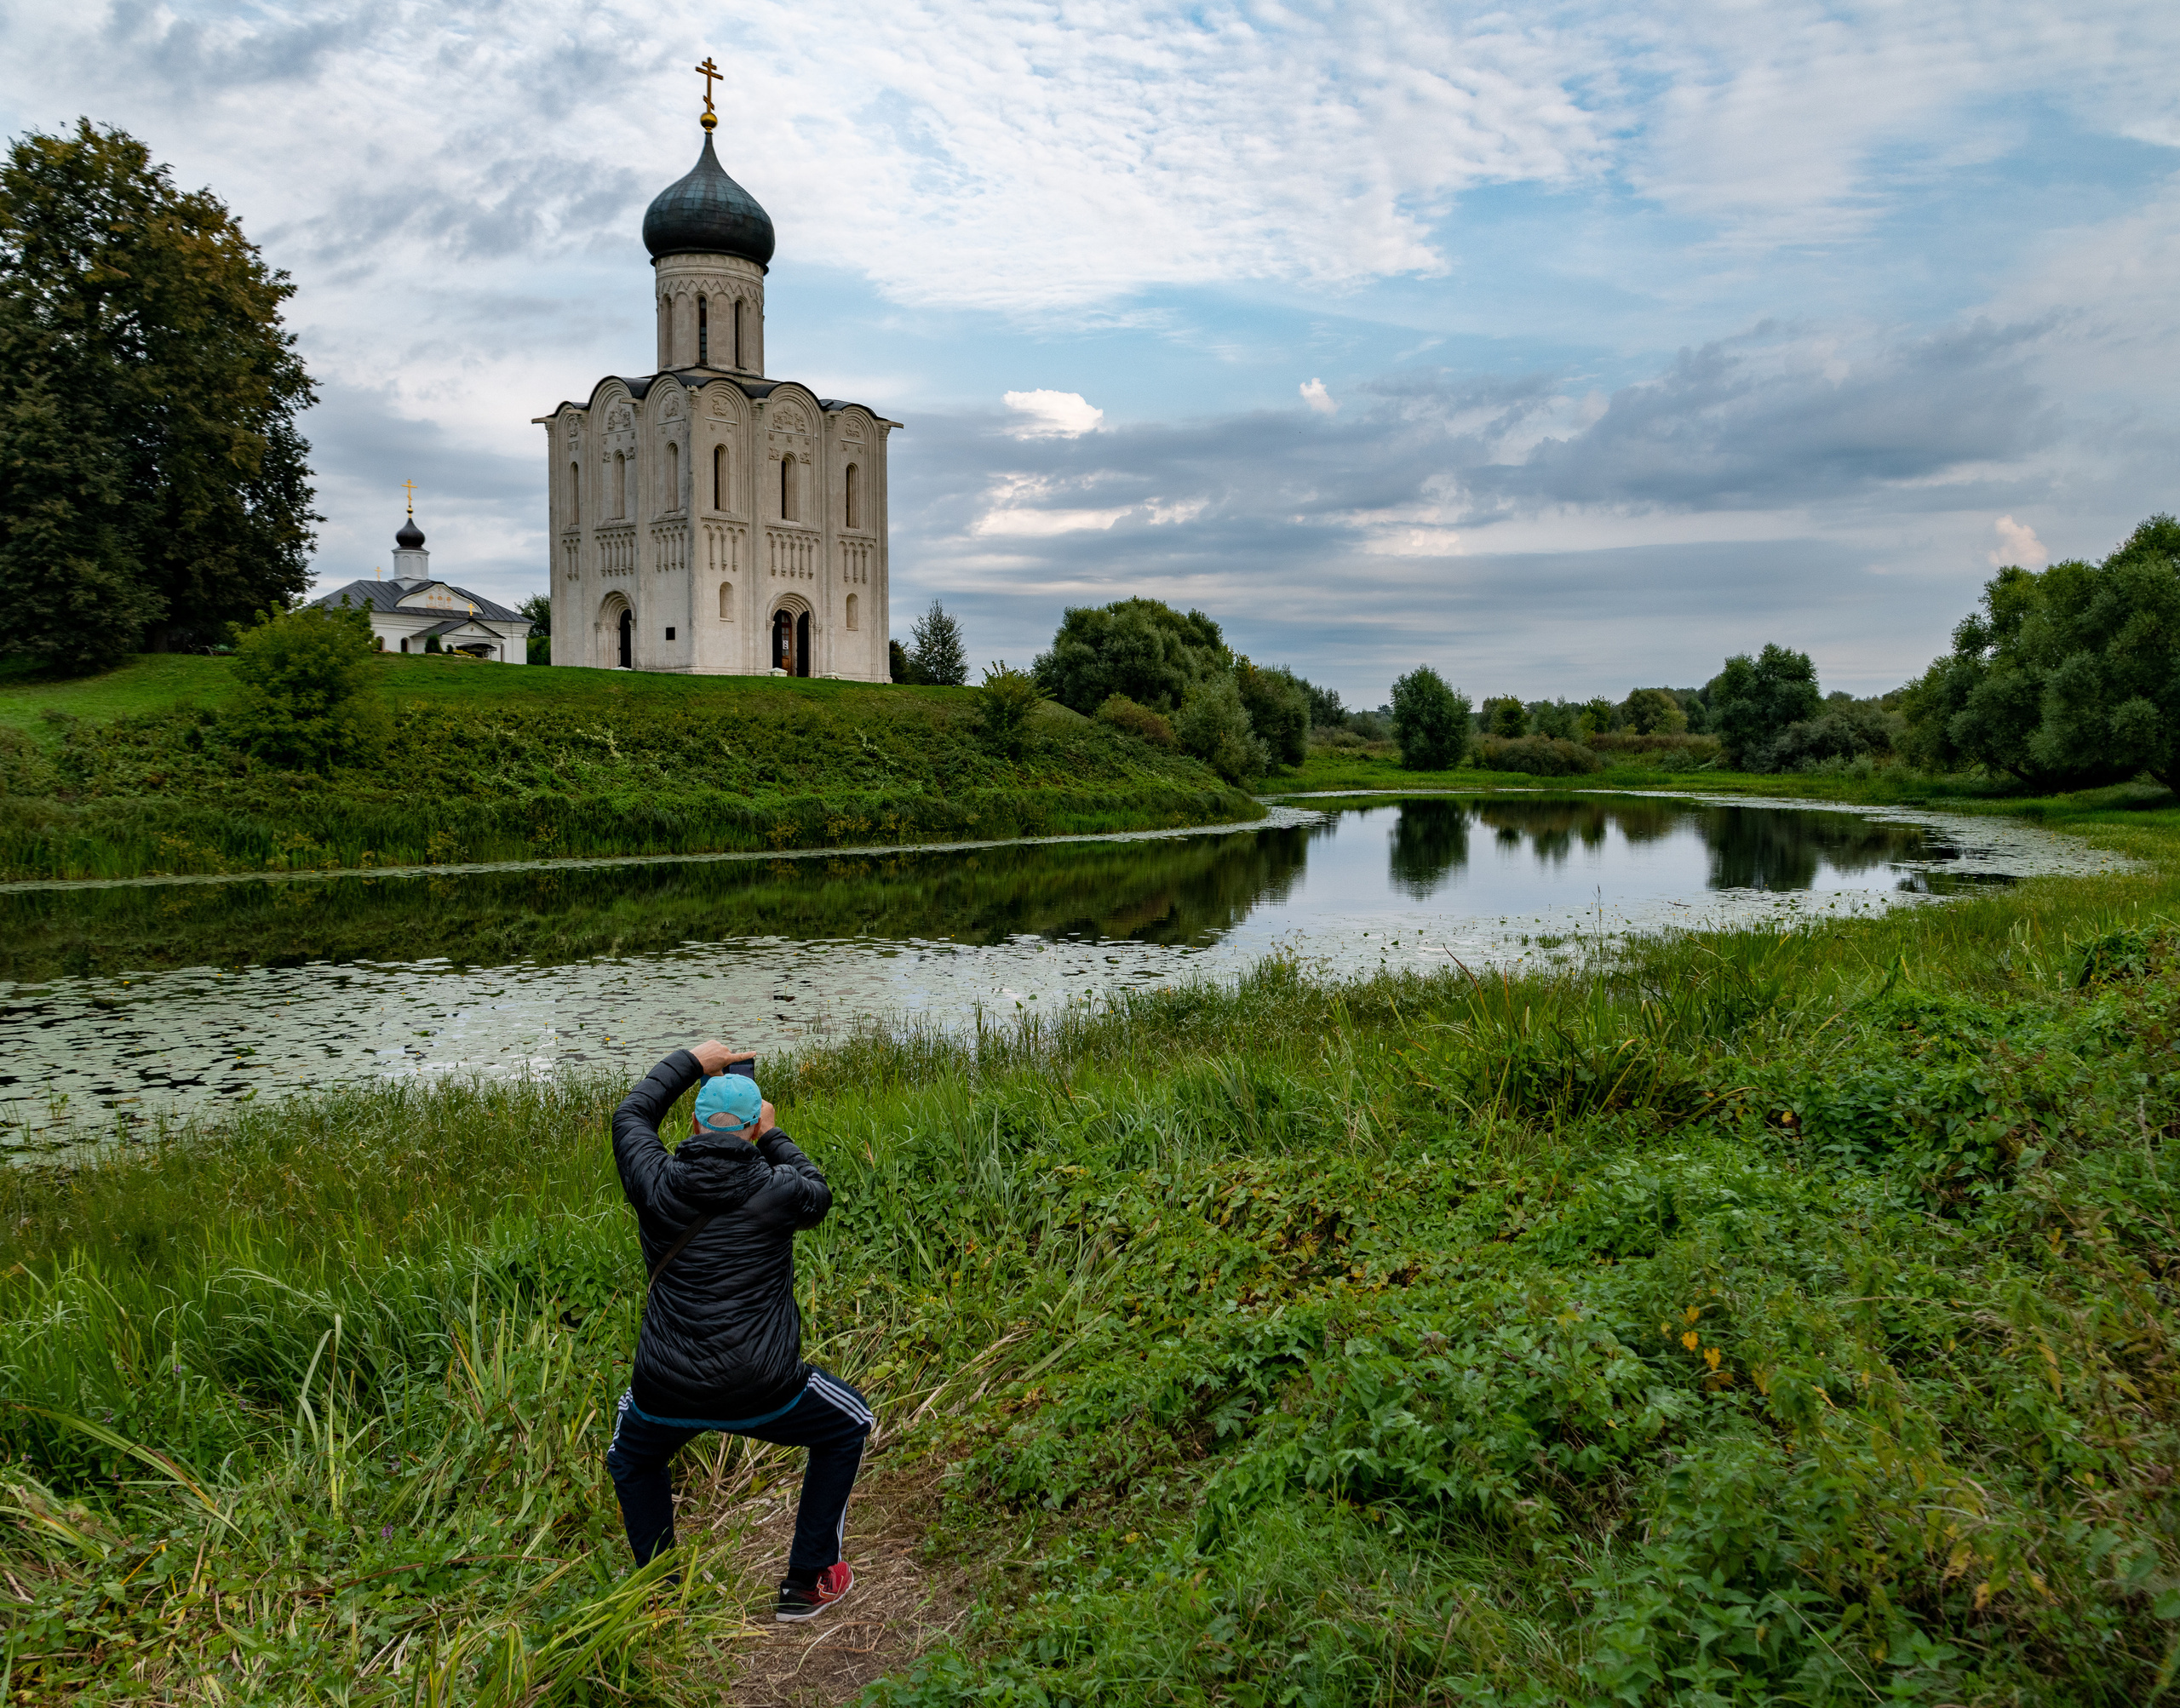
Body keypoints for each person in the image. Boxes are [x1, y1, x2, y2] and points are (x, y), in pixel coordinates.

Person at [605, 1038, 873, 1622]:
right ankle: (807, 1583)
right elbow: (818, 1190)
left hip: (665, 1387)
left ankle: (659, 1594)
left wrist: (690, 1062)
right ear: (753, 1130)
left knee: (632, 1457)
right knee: (851, 1422)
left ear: (695, 1126)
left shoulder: (653, 1181)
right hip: (763, 1387)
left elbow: (632, 1113)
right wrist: (774, 1134)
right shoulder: (779, 1191)